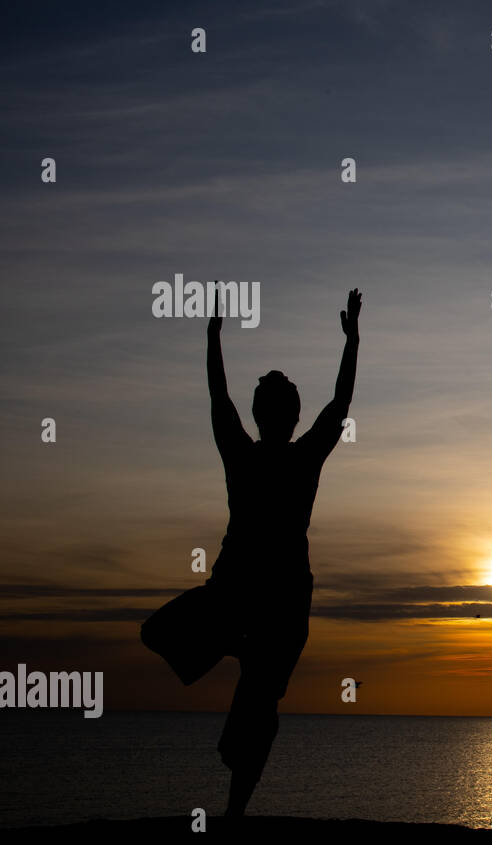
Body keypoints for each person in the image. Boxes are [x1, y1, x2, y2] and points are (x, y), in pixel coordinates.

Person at [142, 288, 362, 816]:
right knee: (162, 636)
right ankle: (236, 649)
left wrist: (214, 341)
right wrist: (351, 340)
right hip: (239, 595)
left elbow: (333, 405)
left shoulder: (290, 456)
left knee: (259, 711)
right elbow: (334, 404)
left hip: (277, 605)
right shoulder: (259, 456)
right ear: (275, 415)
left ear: (277, 415)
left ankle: (234, 814)